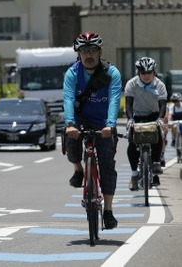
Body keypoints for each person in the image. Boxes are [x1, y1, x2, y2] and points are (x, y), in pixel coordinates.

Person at [63, 32, 122, 229]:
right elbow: (68, 98)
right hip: (80, 118)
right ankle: (78, 170)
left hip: (103, 121)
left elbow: (114, 99)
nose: (89, 55)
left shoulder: (111, 72)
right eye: (84, 51)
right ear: (78, 53)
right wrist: (70, 123)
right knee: (70, 140)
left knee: (107, 164)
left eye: (93, 50)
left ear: (100, 52)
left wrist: (111, 124)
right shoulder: (72, 73)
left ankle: (108, 211)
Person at [125, 57, 168, 191]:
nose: (147, 75)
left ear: (154, 72)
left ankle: (155, 163)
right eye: (143, 73)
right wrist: (130, 119)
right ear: (138, 73)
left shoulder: (159, 85)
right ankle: (134, 175)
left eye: (149, 72)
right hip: (136, 115)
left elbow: (163, 105)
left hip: (153, 115)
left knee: (158, 136)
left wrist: (160, 119)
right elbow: (128, 105)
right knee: (132, 142)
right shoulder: (132, 84)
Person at [168, 93, 182, 158]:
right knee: (174, 127)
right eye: (173, 101)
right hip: (175, 121)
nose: (175, 103)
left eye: (176, 101)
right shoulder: (172, 106)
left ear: (179, 100)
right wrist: (169, 120)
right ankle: (174, 139)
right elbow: (170, 114)